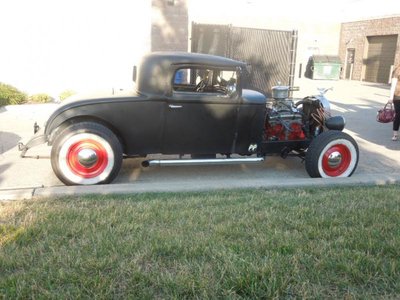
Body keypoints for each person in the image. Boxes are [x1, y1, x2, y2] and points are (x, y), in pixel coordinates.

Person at [389, 65, 400, 141]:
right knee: (398, 115)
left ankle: (395, 134)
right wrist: (390, 97)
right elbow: (393, 85)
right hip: (397, 96)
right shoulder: (397, 71)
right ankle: (395, 134)